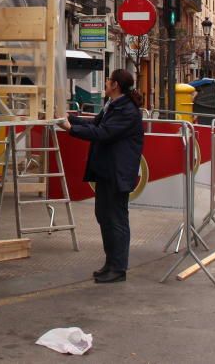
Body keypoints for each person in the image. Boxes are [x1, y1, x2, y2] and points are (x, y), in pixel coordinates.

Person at [58, 68, 143, 283]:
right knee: (104, 216)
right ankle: (110, 263)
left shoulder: (127, 111)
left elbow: (103, 133)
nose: (105, 83)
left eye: (108, 80)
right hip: (107, 171)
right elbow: (95, 124)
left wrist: (70, 129)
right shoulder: (113, 106)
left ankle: (118, 268)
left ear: (115, 85)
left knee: (116, 220)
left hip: (117, 172)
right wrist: (69, 119)